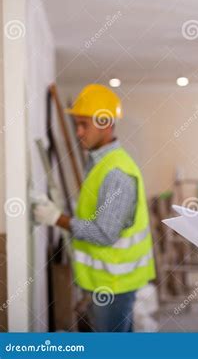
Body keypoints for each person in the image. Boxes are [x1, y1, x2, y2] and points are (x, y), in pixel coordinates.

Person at [33, 84, 155, 332]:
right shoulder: (100, 162)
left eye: (83, 124)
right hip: (107, 280)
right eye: (76, 124)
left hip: (114, 283)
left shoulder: (116, 172)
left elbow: (104, 233)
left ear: (106, 123)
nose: (78, 132)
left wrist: (58, 219)